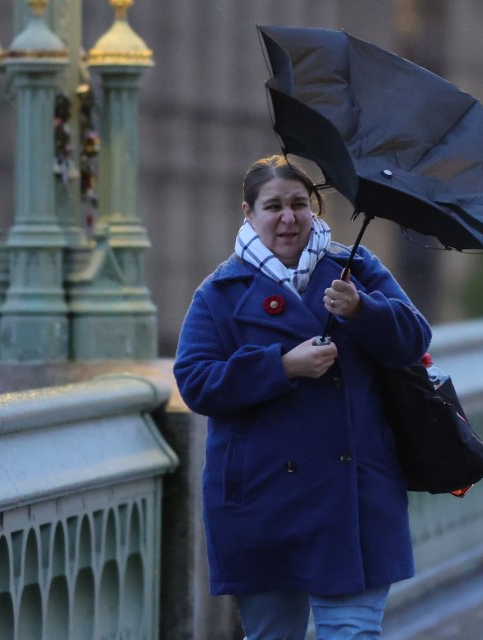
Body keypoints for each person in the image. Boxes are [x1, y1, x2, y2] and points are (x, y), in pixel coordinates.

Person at [173, 154, 432, 639]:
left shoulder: (356, 270)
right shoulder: (220, 292)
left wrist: (363, 310)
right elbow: (195, 381)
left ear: (316, 209)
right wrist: (281, 367)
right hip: (264, 498)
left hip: (353, 494)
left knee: (352, 633)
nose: (288, 217)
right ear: (248, 213)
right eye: (273, 206)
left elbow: (415, 339)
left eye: (299, 204)